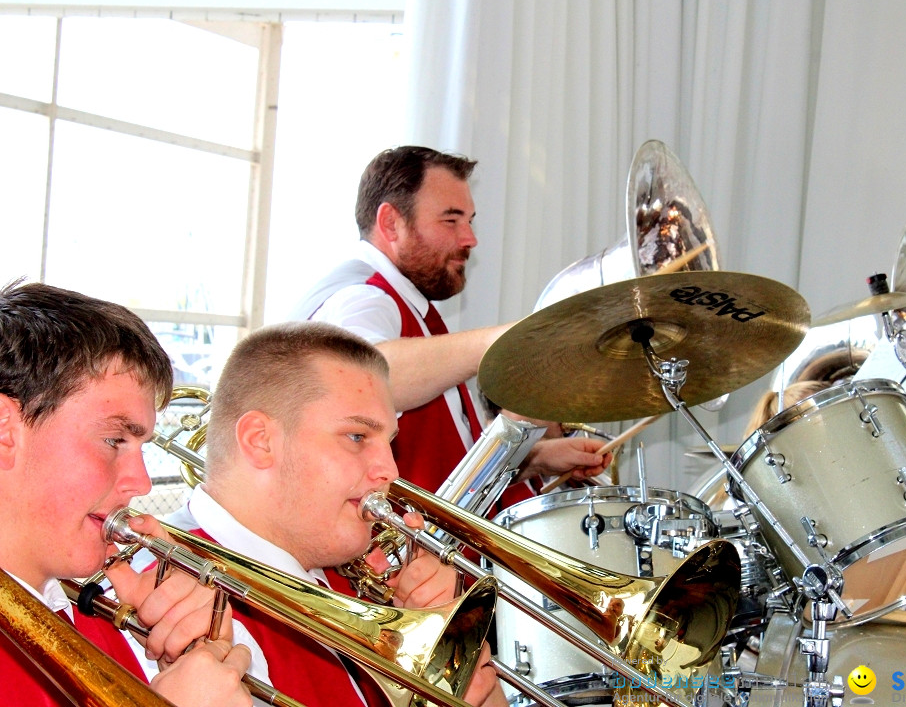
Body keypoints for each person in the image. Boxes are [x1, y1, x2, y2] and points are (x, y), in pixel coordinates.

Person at [165, 321, 505, 707]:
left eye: (389, 442)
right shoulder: (173, 609)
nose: (390, 472)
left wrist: (449, 654)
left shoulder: (347, 566)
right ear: (260, 441)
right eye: (358, 437)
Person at [290, 146, 609, 501]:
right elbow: (365, 379)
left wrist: (535, 459)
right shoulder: (362, 296)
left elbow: (446, 472)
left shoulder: (406, 301)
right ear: (391, 223)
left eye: (469, 221)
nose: (470, 238)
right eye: (451, 220)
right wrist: (507, 343)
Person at [0, 280, 252, 706]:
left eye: (142, 447)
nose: (141, 482)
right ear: (6, 430)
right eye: (115, 440)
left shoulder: (85, 616)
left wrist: (186, 657)